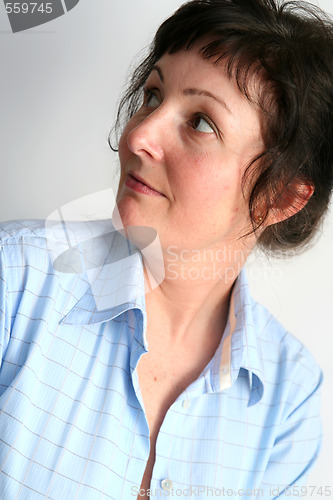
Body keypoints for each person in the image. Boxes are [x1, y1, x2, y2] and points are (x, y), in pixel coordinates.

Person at [0, 0, 332, 498]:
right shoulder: (15, 281)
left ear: (278, 197)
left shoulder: (289, 397)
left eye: (200, 122)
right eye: (152, 96)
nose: (138, 135)